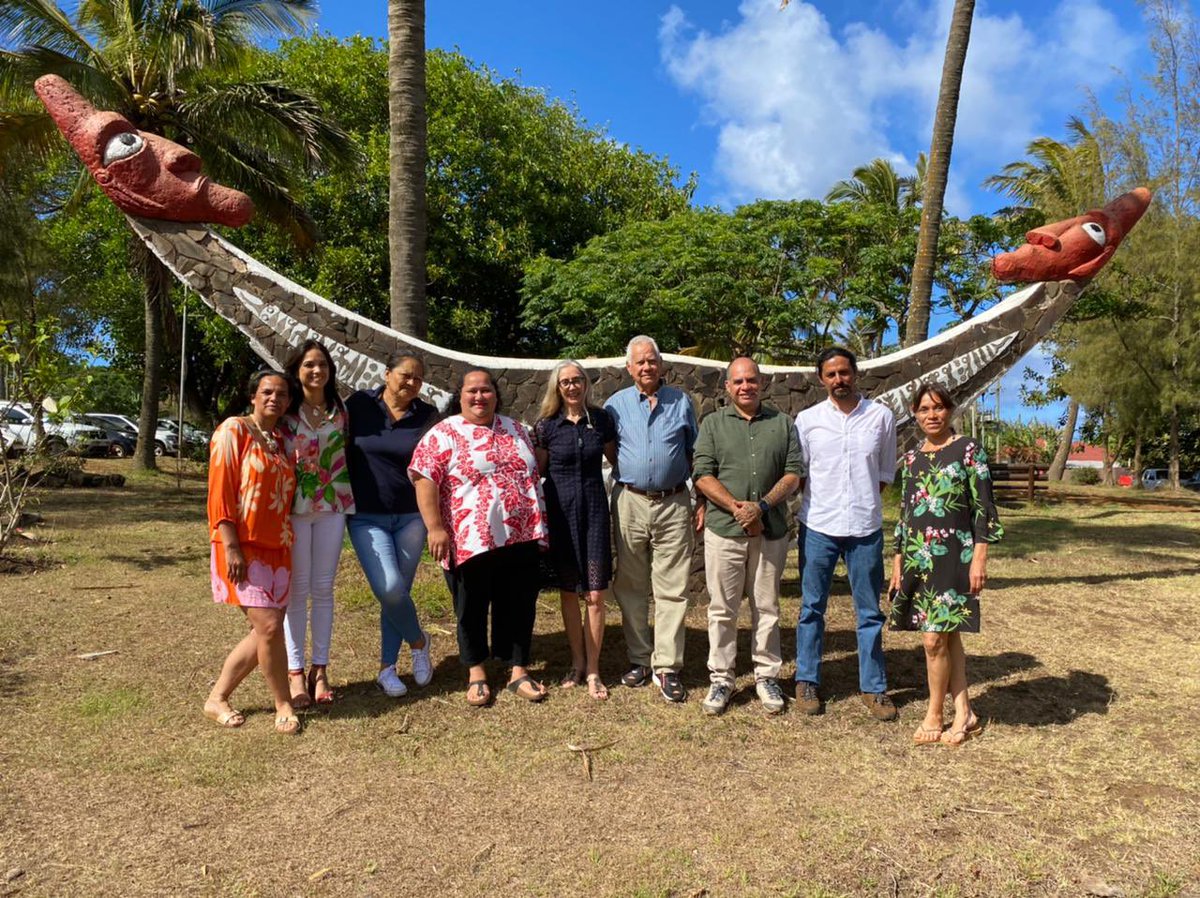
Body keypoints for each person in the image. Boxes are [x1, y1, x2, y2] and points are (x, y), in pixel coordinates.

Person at [409, 368, 549, 707]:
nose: (479, 397)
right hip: (469, 538)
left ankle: (518, 669)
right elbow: (423, 477)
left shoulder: (515, 428)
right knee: (470, 606)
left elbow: (535, 467)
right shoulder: (444, 433)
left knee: (519, 602)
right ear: (460, 396)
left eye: (486, 390)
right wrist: (435, 527)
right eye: (472, 391)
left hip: (521, 534)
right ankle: (476, 672)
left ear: (496, 395)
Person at [889, 382, 1003, 746]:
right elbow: (905, 516)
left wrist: (979, 559)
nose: (931, 415)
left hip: (956, 557)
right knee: (947, 635)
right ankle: (965, 711)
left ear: (950, 410)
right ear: (914, 413)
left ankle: (934, 714)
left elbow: (984, 509)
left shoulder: (969, 451)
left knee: (933, 637)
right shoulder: (910, 459)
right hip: (918, 557)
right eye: (924, 409)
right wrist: (897, 561)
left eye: (938, 408)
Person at [693, 357, 804, 716]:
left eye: (751, 380)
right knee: (722, 609)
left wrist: (762, 506)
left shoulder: (783, 424)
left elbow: (793, 474)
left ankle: (766, 675)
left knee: (767, 607)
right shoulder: (712, 424)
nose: (745, 387)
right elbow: (702, 474)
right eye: (738, 381)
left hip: (770, 531)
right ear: (727, 387)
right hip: (724, 531)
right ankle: (722, 678)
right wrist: (737, 509)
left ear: (762, 383)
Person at [793, 347, 899, 721]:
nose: (839, 380)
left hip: (864, 528)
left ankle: (874, 687)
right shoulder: (807, 421)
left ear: (856, 373)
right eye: (831, 374)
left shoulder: (881, 418)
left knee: (869, 612)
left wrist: (860, 503)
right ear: (820, 379)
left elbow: (884, 475)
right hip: (819, 526)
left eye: (844, 372)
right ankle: (807, 680)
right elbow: (801, 475)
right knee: (811, 608)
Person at [604, 335, 701, 703]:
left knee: (672, 586)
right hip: (630, 501)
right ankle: (640, 659)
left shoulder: (681, 402)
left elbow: (693, 453)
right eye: (639, 362)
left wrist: (699, 498)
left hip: (674, 501)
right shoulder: (615, 406)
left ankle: (667, 667)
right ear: (629, 368)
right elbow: (613, 452)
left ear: (661, 365)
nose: (647, 367)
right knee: (630, 584)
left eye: (652, 361)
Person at [203, 370, 300, 735]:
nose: (274, 397)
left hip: (278, 547)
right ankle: (283, 702)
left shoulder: (277, 440)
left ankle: (217, 697)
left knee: (264, 631)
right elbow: (221, 490)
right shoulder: (234, 430)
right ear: (253, 397)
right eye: (266, 392)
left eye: (281, 393)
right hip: (242, 547)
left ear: (289, 402)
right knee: (270, 626)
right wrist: (231, 547)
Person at [345, 352, 438, 698]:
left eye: (418, 378)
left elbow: (434, 462)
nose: (411, 382)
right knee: (389, 589)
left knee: (398, 593)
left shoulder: (426, 415)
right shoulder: (358, 405)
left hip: (412, 516)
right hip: (365, 515)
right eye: (405, 375)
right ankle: (418, 641)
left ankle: (387, 668)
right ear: (386, 374)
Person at [533, 360, 617, 701]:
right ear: (557, 387)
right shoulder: (546, 426)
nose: (571, 386)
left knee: (595, 594)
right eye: (565, 381)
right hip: (560, 515)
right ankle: (578, 663)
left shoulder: (602, 420)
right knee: (569, 592)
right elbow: (535, 472)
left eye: (577, 380)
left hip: (595, 513)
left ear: (586, 383)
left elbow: (617, 461)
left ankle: (595, 669)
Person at [279, 340, 355, 707]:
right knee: (297, 589)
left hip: (333, 502)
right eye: (309, 365)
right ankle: (294, 672)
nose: (316, 371)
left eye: (322, 364)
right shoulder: (285, 410)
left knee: (323, 588)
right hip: (294, 506)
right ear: (297, 370)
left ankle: (320, 670)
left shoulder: (340, 409)